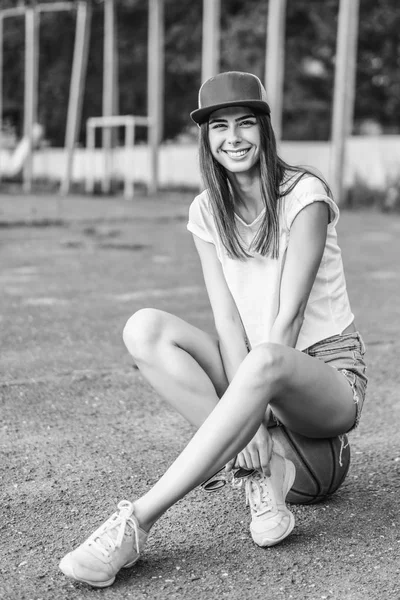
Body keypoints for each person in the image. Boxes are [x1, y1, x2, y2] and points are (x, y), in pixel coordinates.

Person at [59, 71, 368, 588]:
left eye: (246, 123)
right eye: (219, 126)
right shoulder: (207, 210)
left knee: (265, 359)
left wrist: (253, 407)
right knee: (145, 329)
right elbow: (226, 317)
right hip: (255, 370)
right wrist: (247, 412)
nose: (234, 138)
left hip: (326, 376)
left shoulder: (305, 196)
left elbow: (287, 318)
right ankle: (258, 476)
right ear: (206, 137)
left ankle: (136, 522)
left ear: (264, 129)